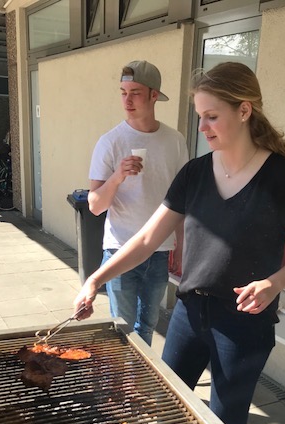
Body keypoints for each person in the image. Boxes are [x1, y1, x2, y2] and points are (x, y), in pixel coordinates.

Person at [74, 62, 285, 424]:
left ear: (244, 110)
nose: (202, 127)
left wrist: (273, 284)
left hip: (244, 323)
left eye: (212, 116)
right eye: (199, 116)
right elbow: (146, 240)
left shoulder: (282, 178)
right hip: (189, 314)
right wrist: (95, 279)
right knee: (169, 409)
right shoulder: (195, 173)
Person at [88, 60, 189, 346]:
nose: (127, 100)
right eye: (123, 92)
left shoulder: (175, 140)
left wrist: (180, 245)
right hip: (119, 248)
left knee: (147, 326)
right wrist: (117, 177)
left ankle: (136, 374)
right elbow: (95, 205)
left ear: (154, 95)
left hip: (160, 250)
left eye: (135, 93)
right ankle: (122, 375)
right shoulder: (110, 142)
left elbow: (181, 199)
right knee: (121, 330)